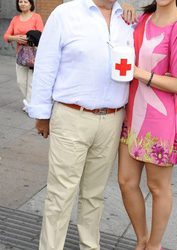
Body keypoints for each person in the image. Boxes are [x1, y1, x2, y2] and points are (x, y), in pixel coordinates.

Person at [26, 0, 134, 249]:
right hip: (72, 117)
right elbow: (45, 65)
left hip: (112, 119)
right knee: (61, 194)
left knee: (94, 195)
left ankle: (90, 246)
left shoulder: (126, 20)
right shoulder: (66, 14)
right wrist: (42, 114)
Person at [118, 0, 177, 249]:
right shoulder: (143, 20)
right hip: (132, 113)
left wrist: (140, 73)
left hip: (160, 118)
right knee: (126, 181)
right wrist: (123, 6)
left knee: (158, 186)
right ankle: (142, 239)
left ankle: (154, 245)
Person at [3, 0, 44, 112]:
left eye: (25, 1)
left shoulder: (36, 17)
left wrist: (28, 38)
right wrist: (16, 38)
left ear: (31, 4)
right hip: (20, 55)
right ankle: (29, 101)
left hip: (34, 54)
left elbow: (41, 34)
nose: (23, 3)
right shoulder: (15, 19)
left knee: (31, 83)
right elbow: (6, 36)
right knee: (21, 82)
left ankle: (30, 106)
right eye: (20, 1)